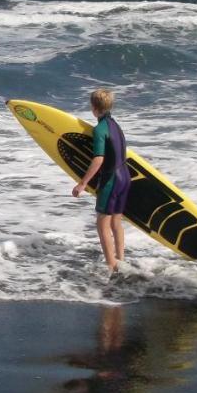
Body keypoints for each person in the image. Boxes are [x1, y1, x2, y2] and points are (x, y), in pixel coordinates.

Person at [72, 88, 130, 273]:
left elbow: (99, 159)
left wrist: (82, 184)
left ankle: (111, 267)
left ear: (93, 107)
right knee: (116, 222)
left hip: (111, 180)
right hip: (125, 178)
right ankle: (121, 261)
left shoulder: (100, 129)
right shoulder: (115, 126)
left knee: (102, 224)